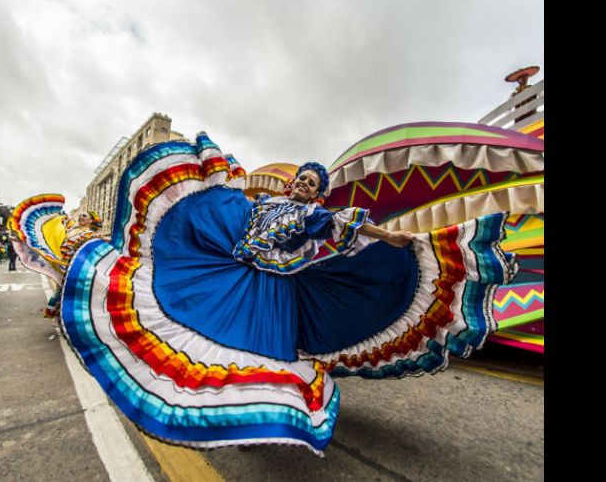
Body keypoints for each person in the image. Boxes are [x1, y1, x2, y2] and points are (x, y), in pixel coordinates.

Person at [51, 133, 518, 455]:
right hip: (234, 276)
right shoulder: (261, 203)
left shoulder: (314, 216)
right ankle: (228, 415)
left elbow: (346, 223)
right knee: (195, 329)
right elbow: (226, 210)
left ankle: (254, 419)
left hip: (274, 292)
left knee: (260, 355)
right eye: (302, 179)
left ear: (317, 195)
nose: (303, 185)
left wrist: (391, 236)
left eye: (312, 184)